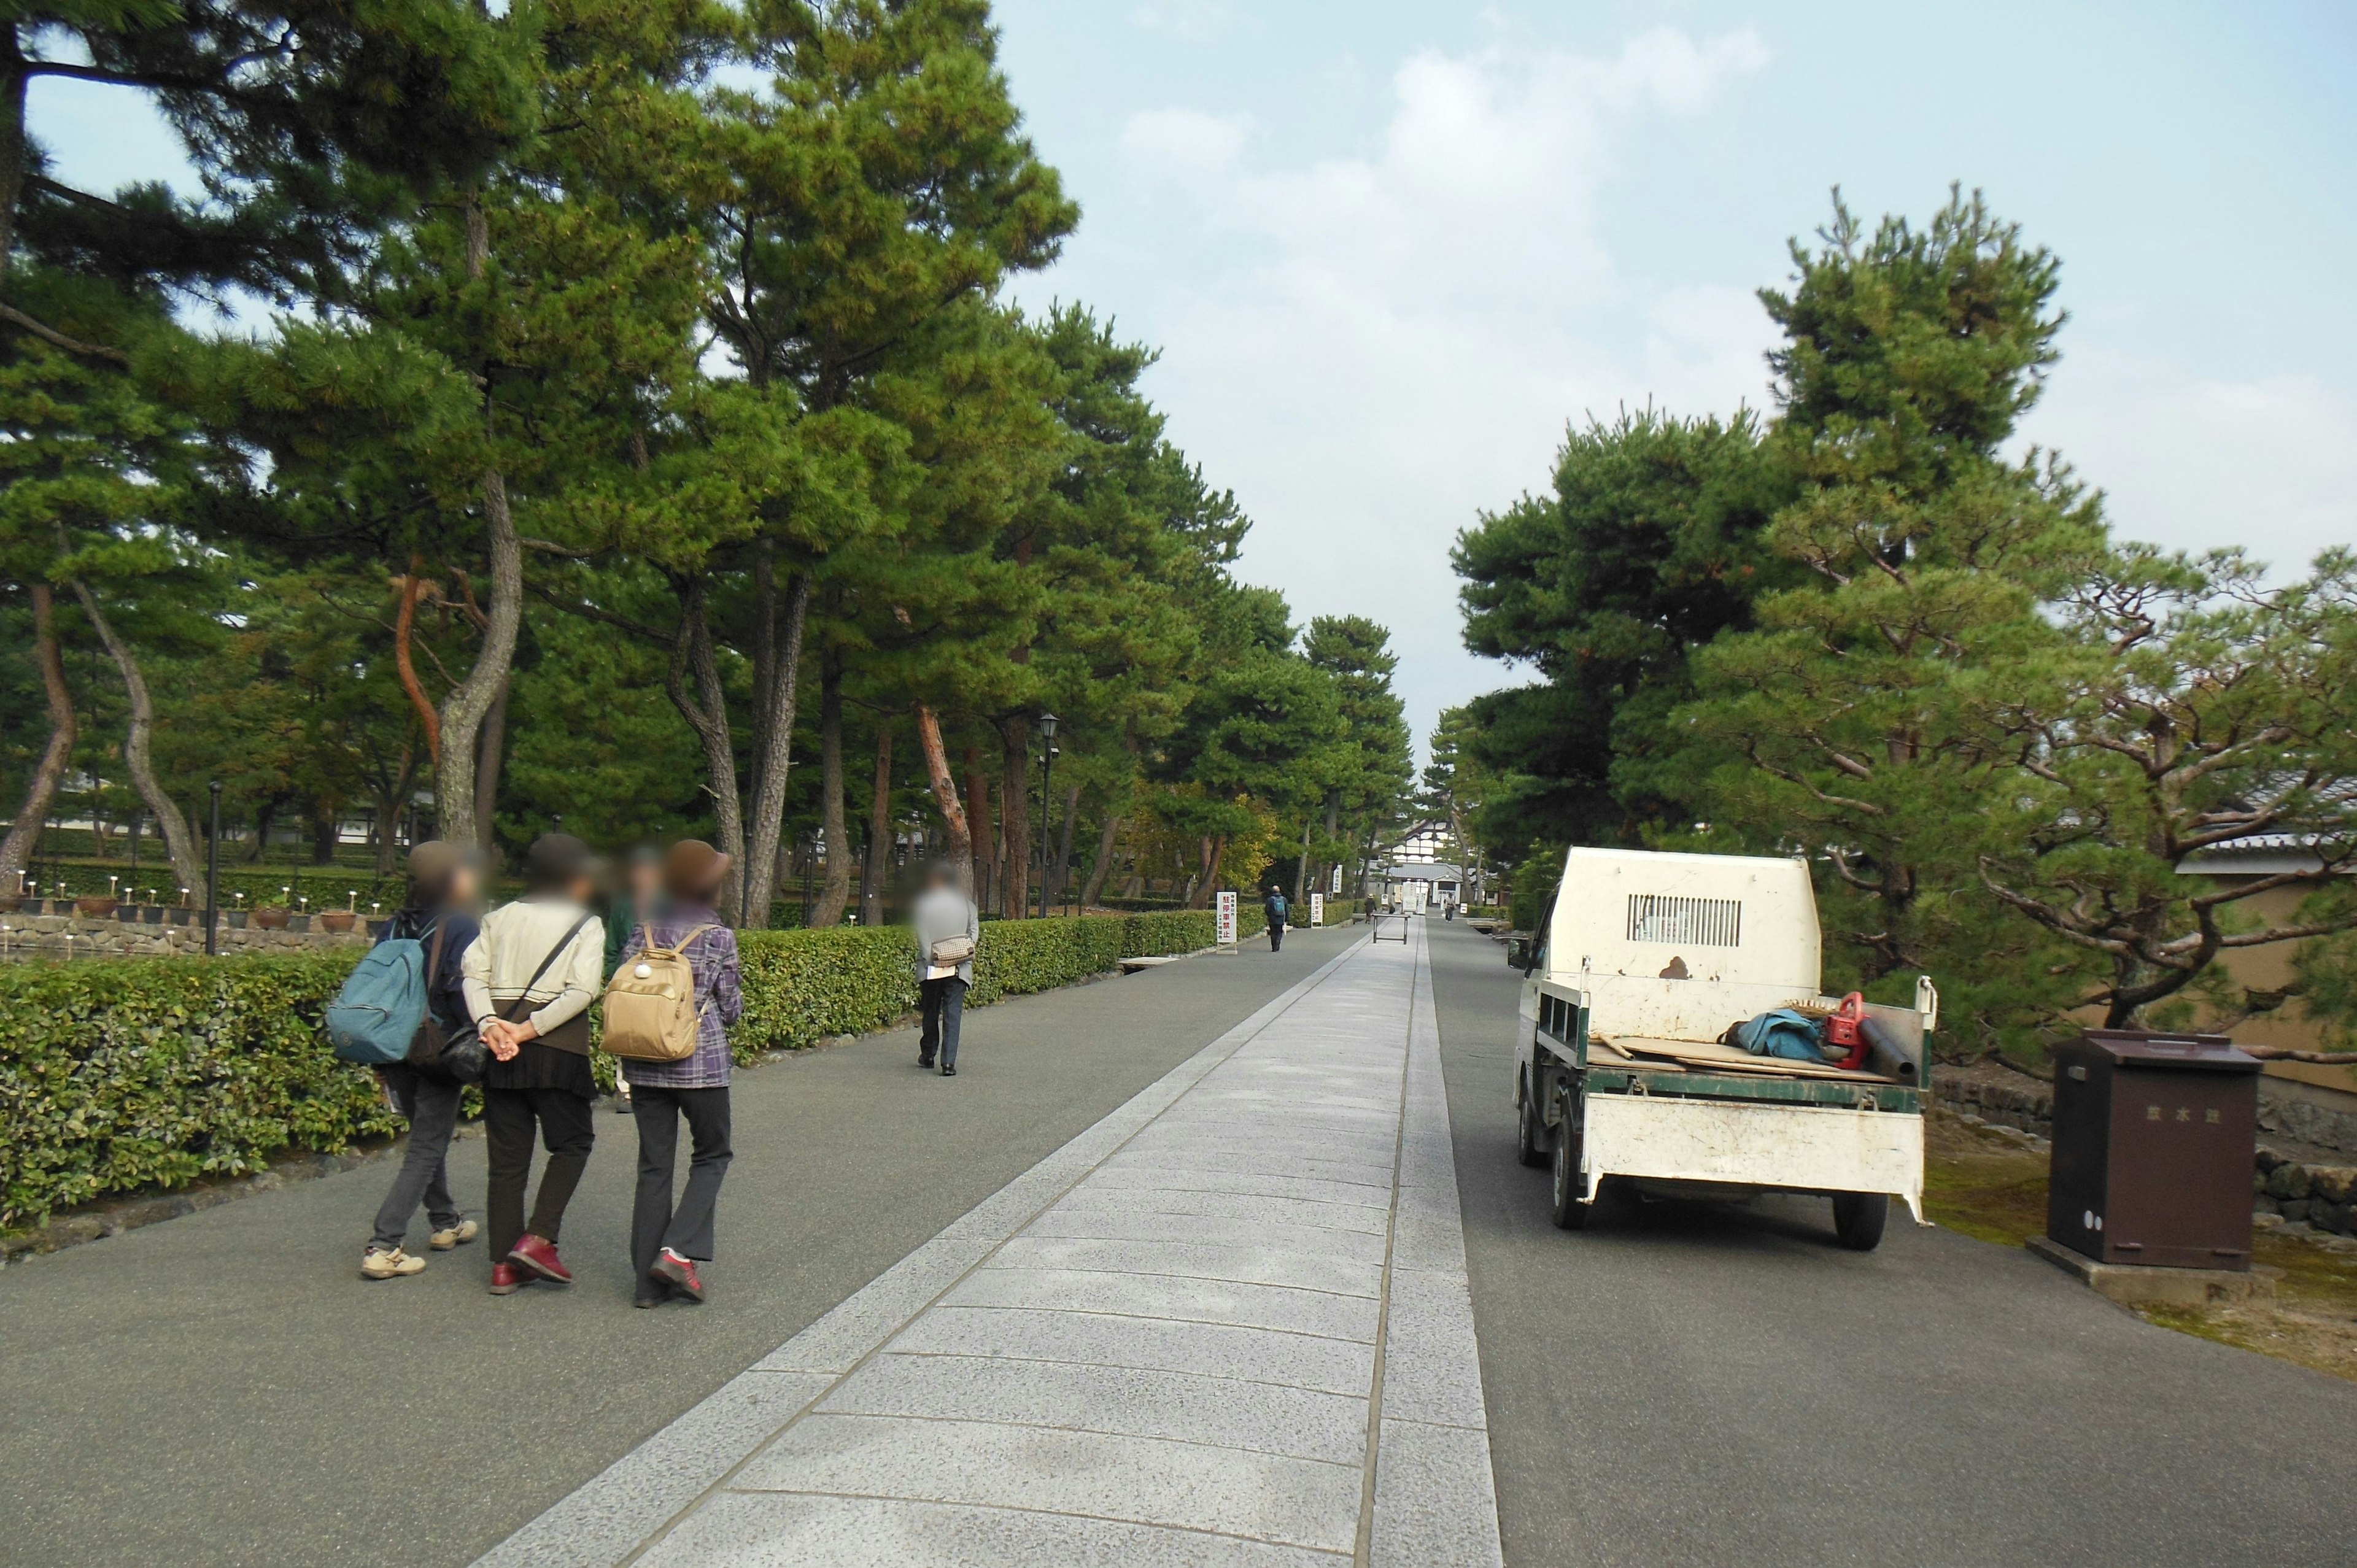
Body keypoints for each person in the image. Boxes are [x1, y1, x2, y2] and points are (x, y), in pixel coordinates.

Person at [464, 832, 607, 1296]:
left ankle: (503, 1265)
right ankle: (539, 1237)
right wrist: (530, 1029)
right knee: (573, 1142)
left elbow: (473, 974)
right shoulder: (586, 923)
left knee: (506, 1162)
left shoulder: (497, 918)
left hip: (500, 1052)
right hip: (557, 1049)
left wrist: (492, 1026)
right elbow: (584, 990)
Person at [618, 840, 744, 1307]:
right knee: (713, 1154)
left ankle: (646, 1286)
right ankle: (676, 1251)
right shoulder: (718, 937)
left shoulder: (643, 930)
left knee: (654, 1167)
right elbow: (730, 1007)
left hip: (646, 1061)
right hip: (701, 1063)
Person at [360, 841, 482, 1281]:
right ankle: (384, 1243)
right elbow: (460, 990)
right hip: (436, 1047)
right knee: (428, 1144)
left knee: (427, 1136)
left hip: (391, 1043)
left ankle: (445, 1221)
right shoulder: (461, 926)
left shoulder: (393, 925)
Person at [603, 845, 664, 1114]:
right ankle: (625, 1090)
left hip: (660, 981)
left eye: (649, 870)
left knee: (656, 1031)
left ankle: (656, 1085)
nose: (643, 876)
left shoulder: (667, 904)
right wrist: (612, 978)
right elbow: (612, 948)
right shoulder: (623, 907)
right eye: (638, 870)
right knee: (626, 1033)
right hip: (627, 980)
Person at [910, 862, 979, 1076]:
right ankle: (948, 1063)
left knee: (930, 1010)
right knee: (953, 1014)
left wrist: (932, 957)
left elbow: (923, 937)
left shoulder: (923, 904)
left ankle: (928, 1054)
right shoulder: (967, 905)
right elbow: (974, 932)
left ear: (936, 881)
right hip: (959, 966)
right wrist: (962, 952)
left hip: (932, 966)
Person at [1264, 886, 1289, 952]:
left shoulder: (1270, 899)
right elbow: (1287, 910)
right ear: (1279, 891)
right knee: (1279, 932)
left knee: (1273, 933)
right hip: (1281, 919)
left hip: (1272, 919)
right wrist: (1286, 919)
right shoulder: (1284, 899)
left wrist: (1269, 915)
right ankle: (1278, 942)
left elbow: (1267, 910)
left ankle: (1274, 947)